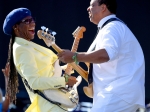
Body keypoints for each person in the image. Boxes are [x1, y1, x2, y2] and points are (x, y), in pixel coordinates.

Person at [57, 0, 145, 112]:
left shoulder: (112, 27)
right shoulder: (111, 27)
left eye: (92, 5)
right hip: (118, 94)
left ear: (103, 7)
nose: (88, 8)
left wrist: (75, 56)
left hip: (118, 94)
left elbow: (105, 54)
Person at [3, 8, 77, 112]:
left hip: (55, 104)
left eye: (32, 20)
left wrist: (66, 68)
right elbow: (35, 82)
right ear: (16, 27)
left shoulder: (26, 46)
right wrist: (64, 81)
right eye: (27, 21)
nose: (33, 23)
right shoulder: (21, 49)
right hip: (49, 106)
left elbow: (45, 71)